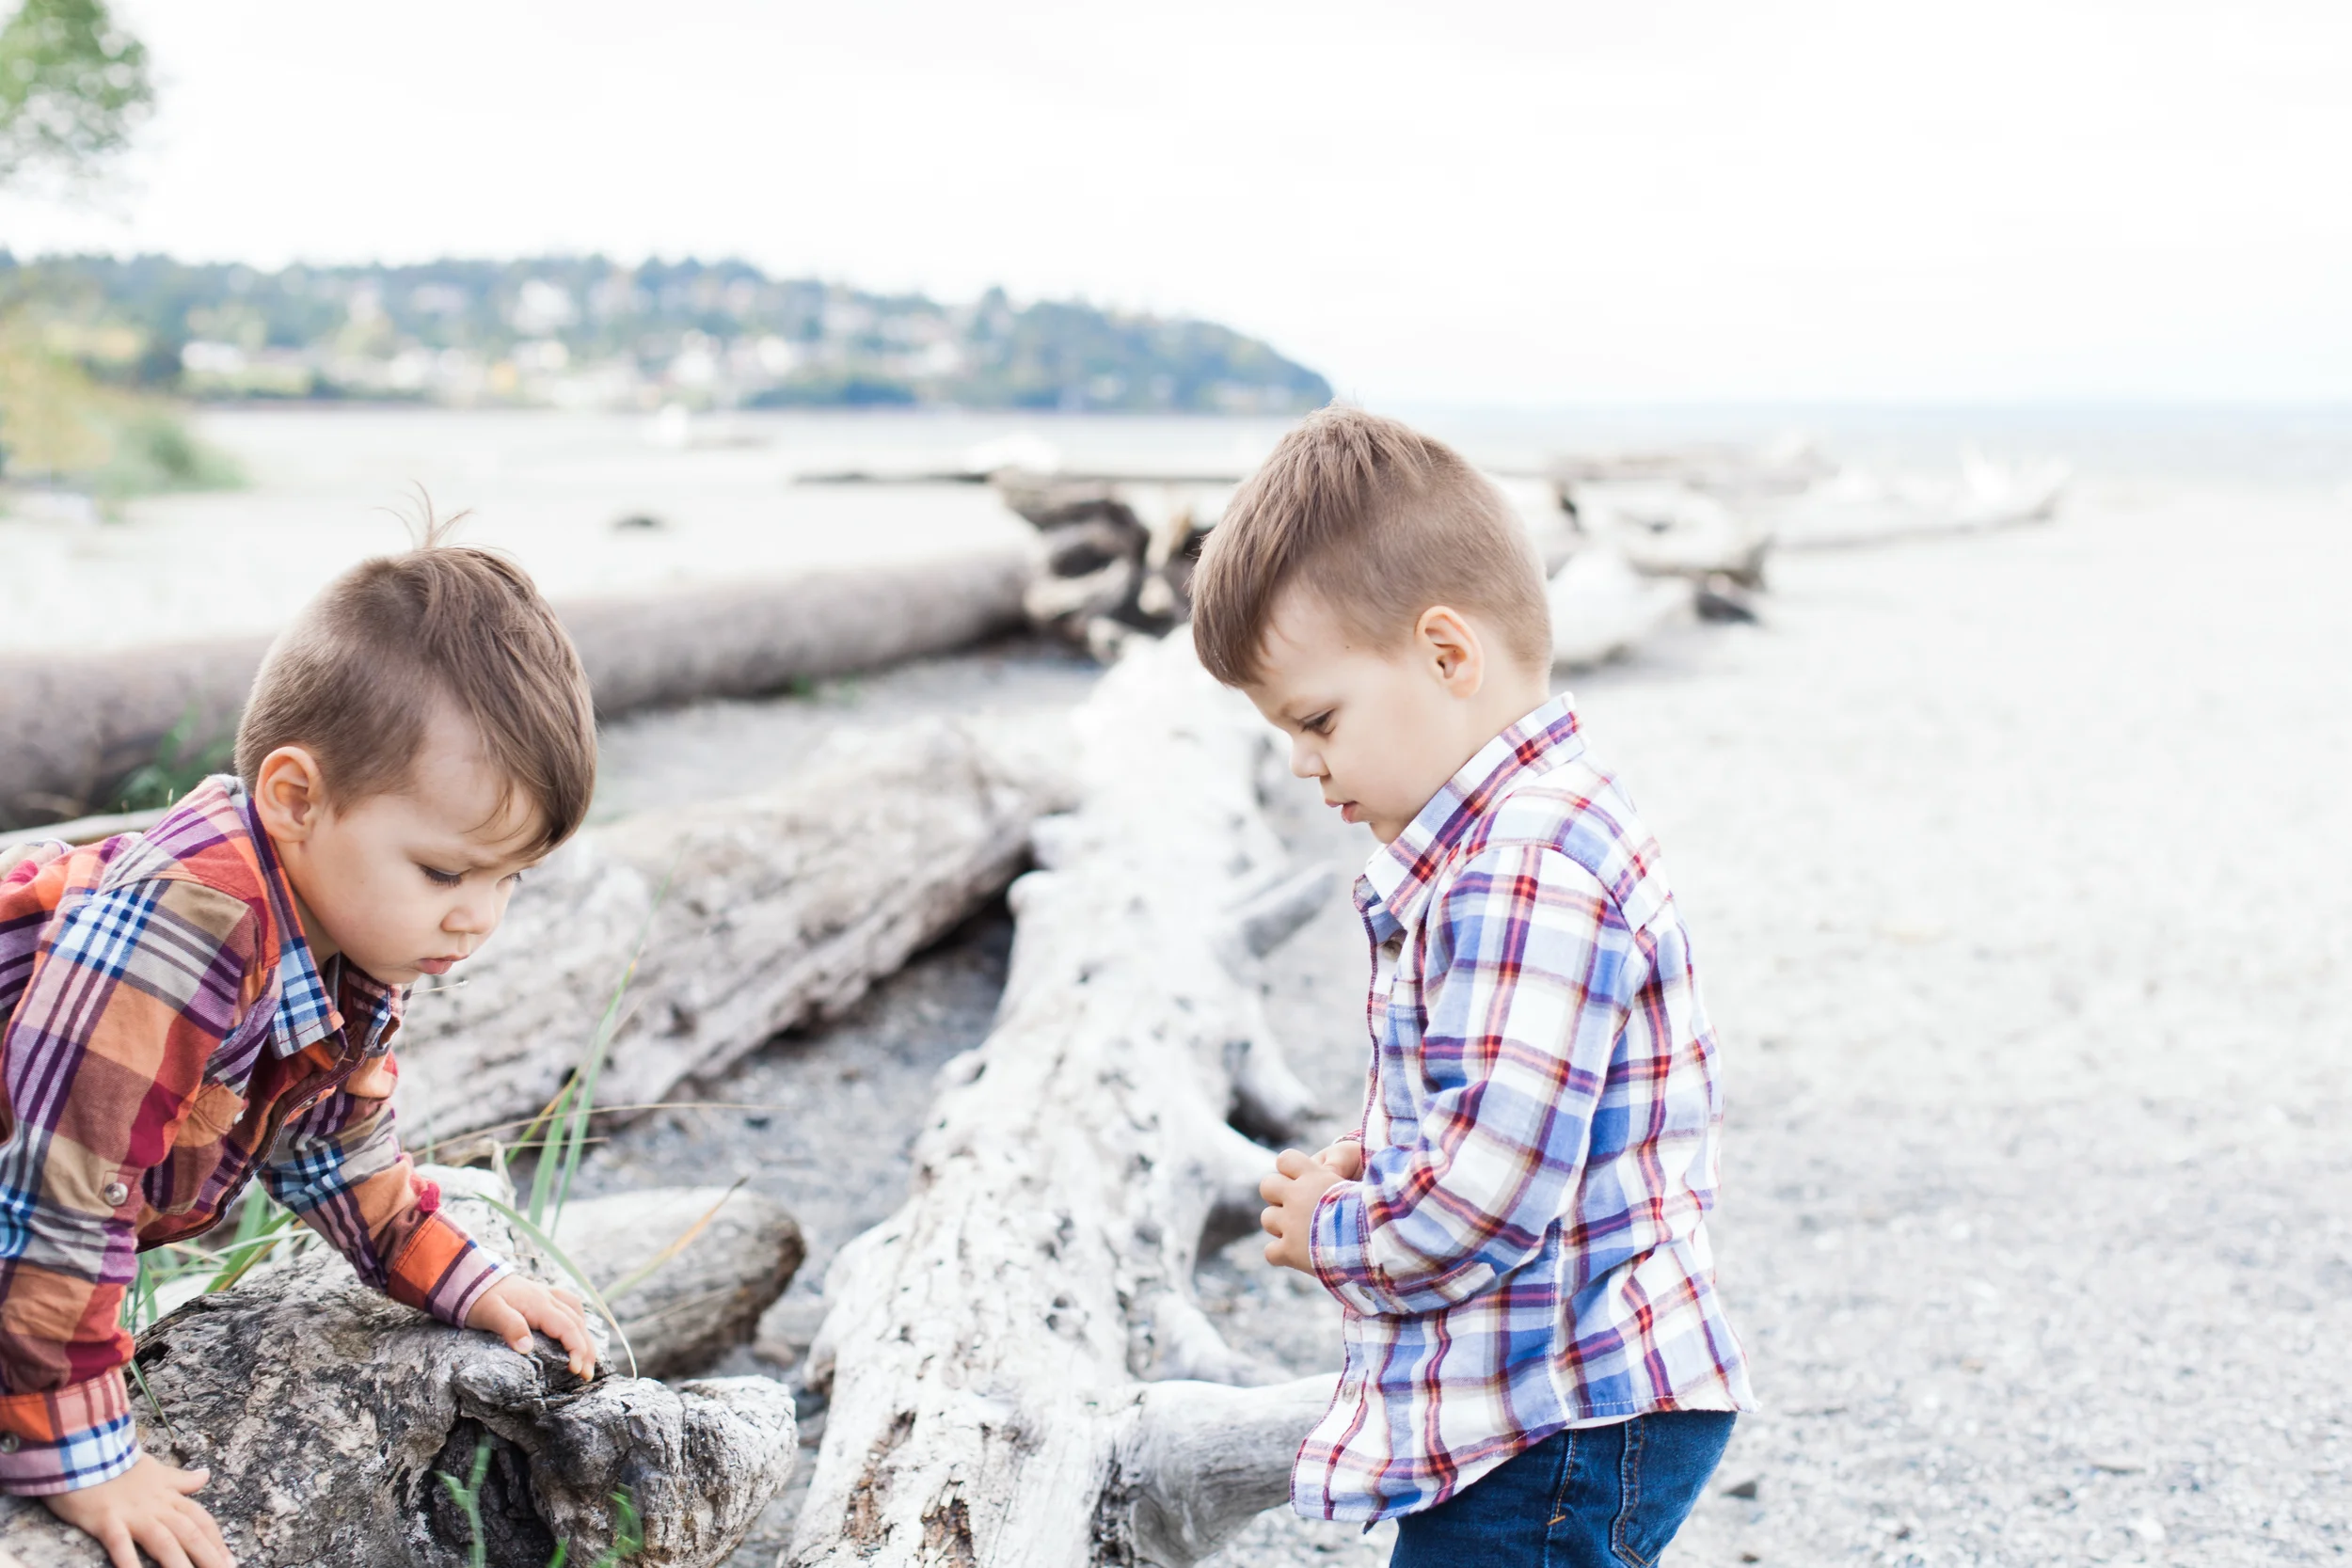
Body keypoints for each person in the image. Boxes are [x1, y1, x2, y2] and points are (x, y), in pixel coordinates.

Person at [1192, 407, 1754, 1565]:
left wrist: (1337, 1229)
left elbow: (1488, 1202)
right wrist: (1380, 1156)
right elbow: (1498, 1105)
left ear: (1448, 655)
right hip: (1558, 1395)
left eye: (1317, 717)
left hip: (1559, 1414)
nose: (1302, 761)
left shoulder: (1522, 867)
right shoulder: (1511, 840)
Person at [0, 530, 602, 1568]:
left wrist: (458, 1275)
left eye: (512, 879)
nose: (480, 919)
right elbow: (65, 1189)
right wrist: (83, 1450)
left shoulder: (349, 946)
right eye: (446, 870)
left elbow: (337, 1146)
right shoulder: (179, 927)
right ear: (294, 796)